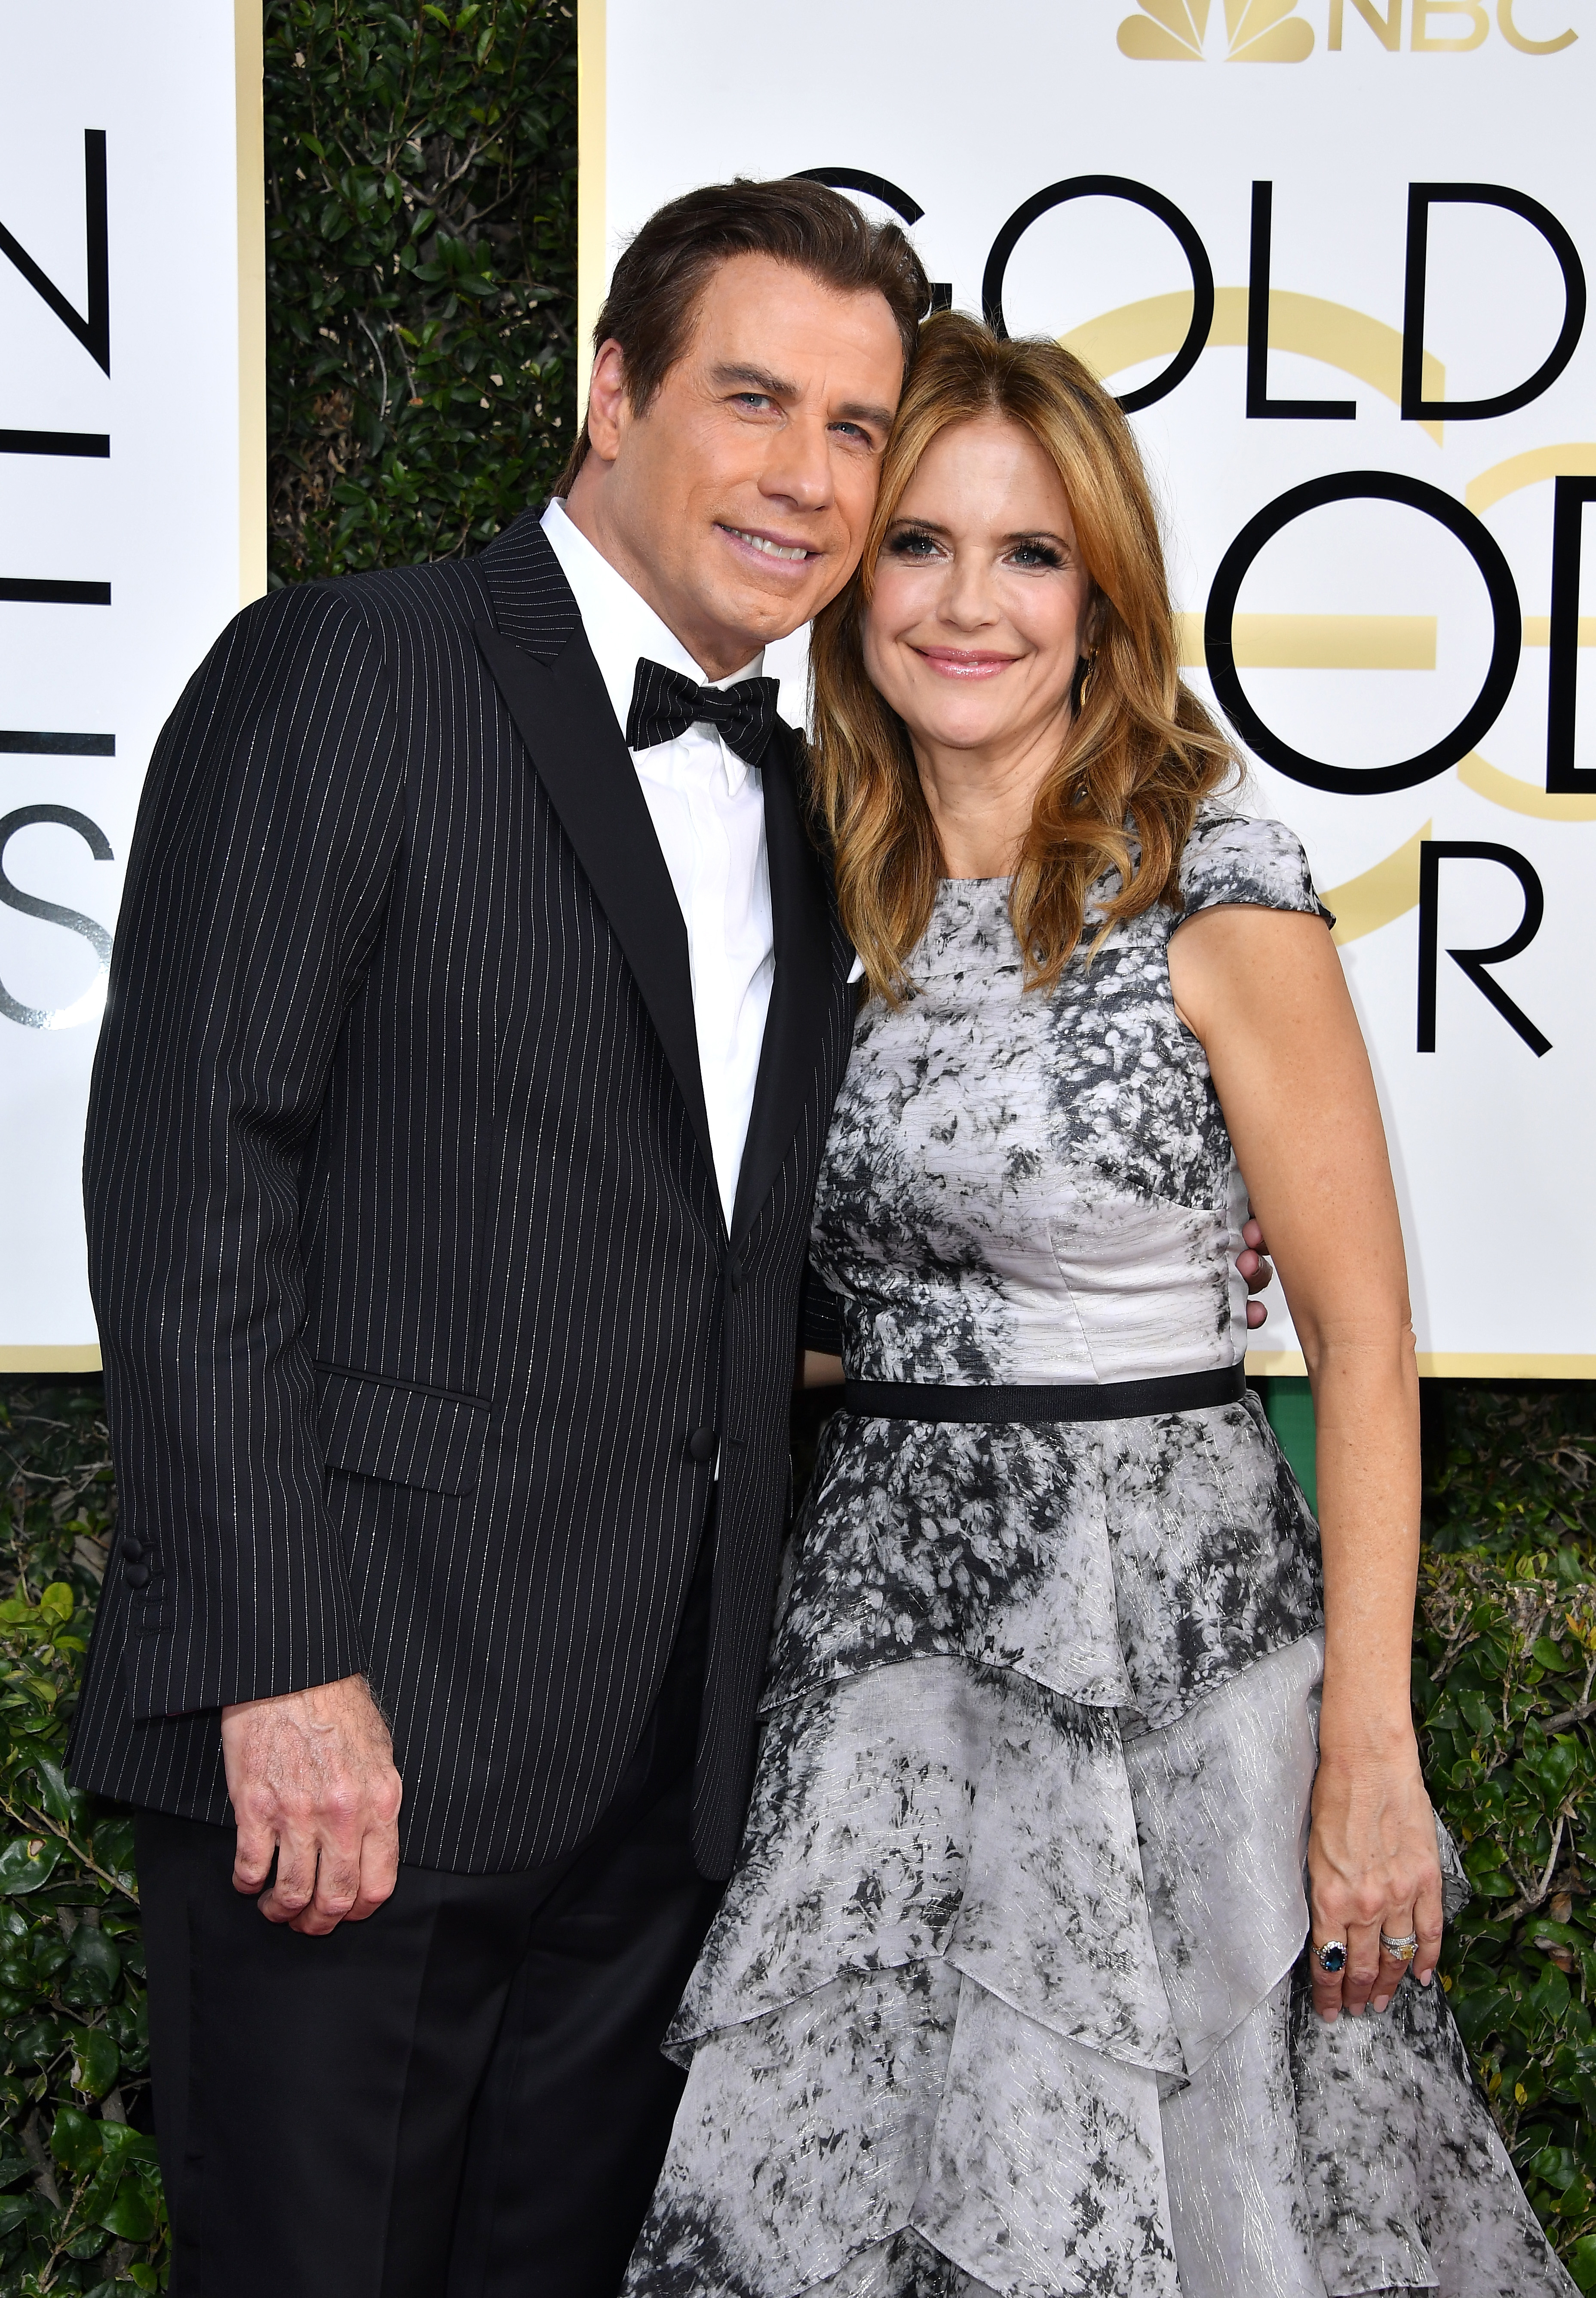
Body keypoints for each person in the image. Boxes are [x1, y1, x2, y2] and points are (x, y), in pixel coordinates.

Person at [623, 313, 1575, 2298]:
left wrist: (1369, 1754)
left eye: (1030, 554)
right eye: (921, 545)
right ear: (855, 576)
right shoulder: (817, 881)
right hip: (877, 1635)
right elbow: (832, 1294)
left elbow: (1365, 1342)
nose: (970, 603)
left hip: (1167, 1649)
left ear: (1102, 598)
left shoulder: (1210, 887)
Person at [67, 178, 924, 2298]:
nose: (807, 479)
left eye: (856, 429)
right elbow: (189, 1187)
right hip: (356, 1729)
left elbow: (725, 1249)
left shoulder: (819, 802)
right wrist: (281, 1664)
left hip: (658, 1767)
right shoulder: (350, 671)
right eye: (753, 400)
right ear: (612, 394)